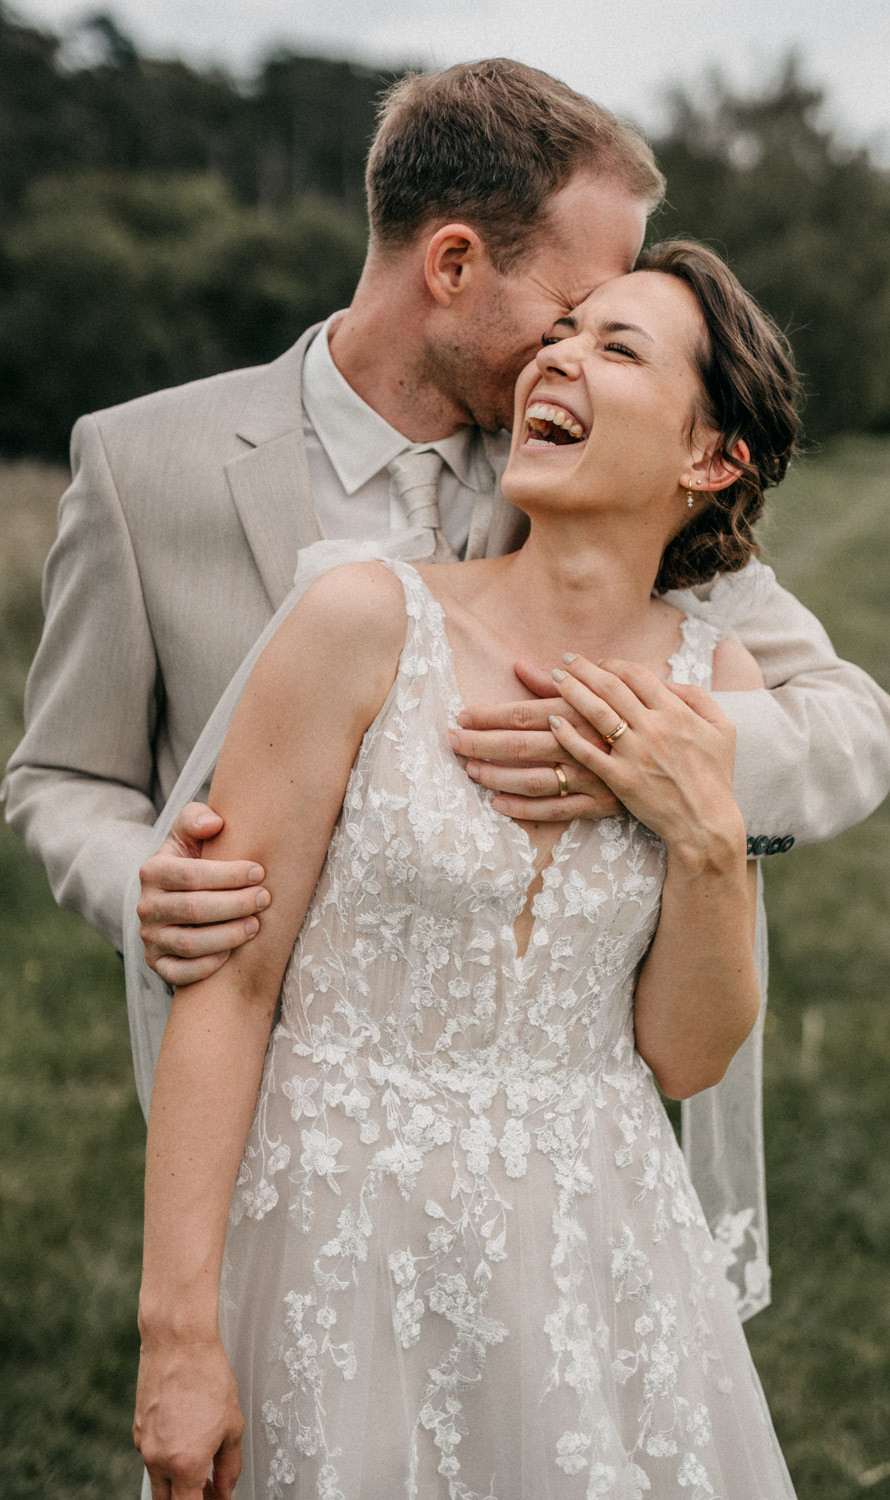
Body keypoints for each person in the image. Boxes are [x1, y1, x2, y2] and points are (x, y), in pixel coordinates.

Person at [2, 58, 890, 998]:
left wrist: (652, 761)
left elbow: (856, 726)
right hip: (241, 1065)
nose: (576, 354)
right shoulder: (137, 464)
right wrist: (138, 883)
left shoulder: (596, 478)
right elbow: (64, 774)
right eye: (569, 315)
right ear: (454, 264)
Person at [134, 241, 804, 1500]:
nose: (558, 355)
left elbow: (686, 1055)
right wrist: (176, 1332)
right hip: (338, 1240)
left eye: (618, 347)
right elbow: (226, 988)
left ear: (708, 461)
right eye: (566, 332)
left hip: (593, 1255)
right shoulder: (361, 623)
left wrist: (708, 838)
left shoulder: (719, 687)